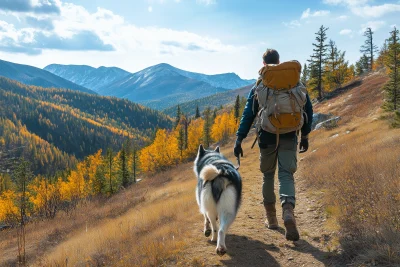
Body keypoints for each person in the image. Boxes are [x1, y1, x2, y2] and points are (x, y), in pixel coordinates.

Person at [233, 49, 313, 241]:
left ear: (264, 65)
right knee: (286, 174)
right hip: (290, 134)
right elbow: (308, 109)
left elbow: (248, 114)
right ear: (279, 62)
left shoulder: (260, 85)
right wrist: (305, 136)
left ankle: (272, 219)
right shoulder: (294, 83)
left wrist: (239, 138)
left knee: (268, 175)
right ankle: (288, 211)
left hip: (267, 136)